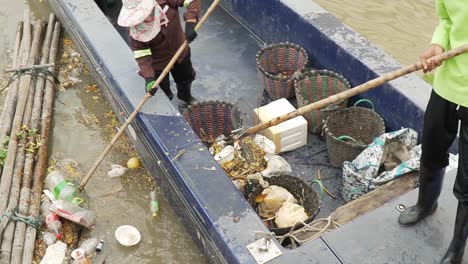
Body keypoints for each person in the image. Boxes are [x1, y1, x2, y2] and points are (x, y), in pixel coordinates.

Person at [398, 0, 468, 263]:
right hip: (449, 83)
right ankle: (426, 205)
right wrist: (438, 44)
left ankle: (457, 247)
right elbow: (448, 20)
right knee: (431, 149)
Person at [117, 0, 201, 107]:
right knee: (163, 89)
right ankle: (168, 100)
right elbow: (142, 54)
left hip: (180, 50)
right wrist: (149, 77)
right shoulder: (136, 32)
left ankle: (185, 96)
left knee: (186, 77)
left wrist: (191, 22)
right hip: (157, 64)